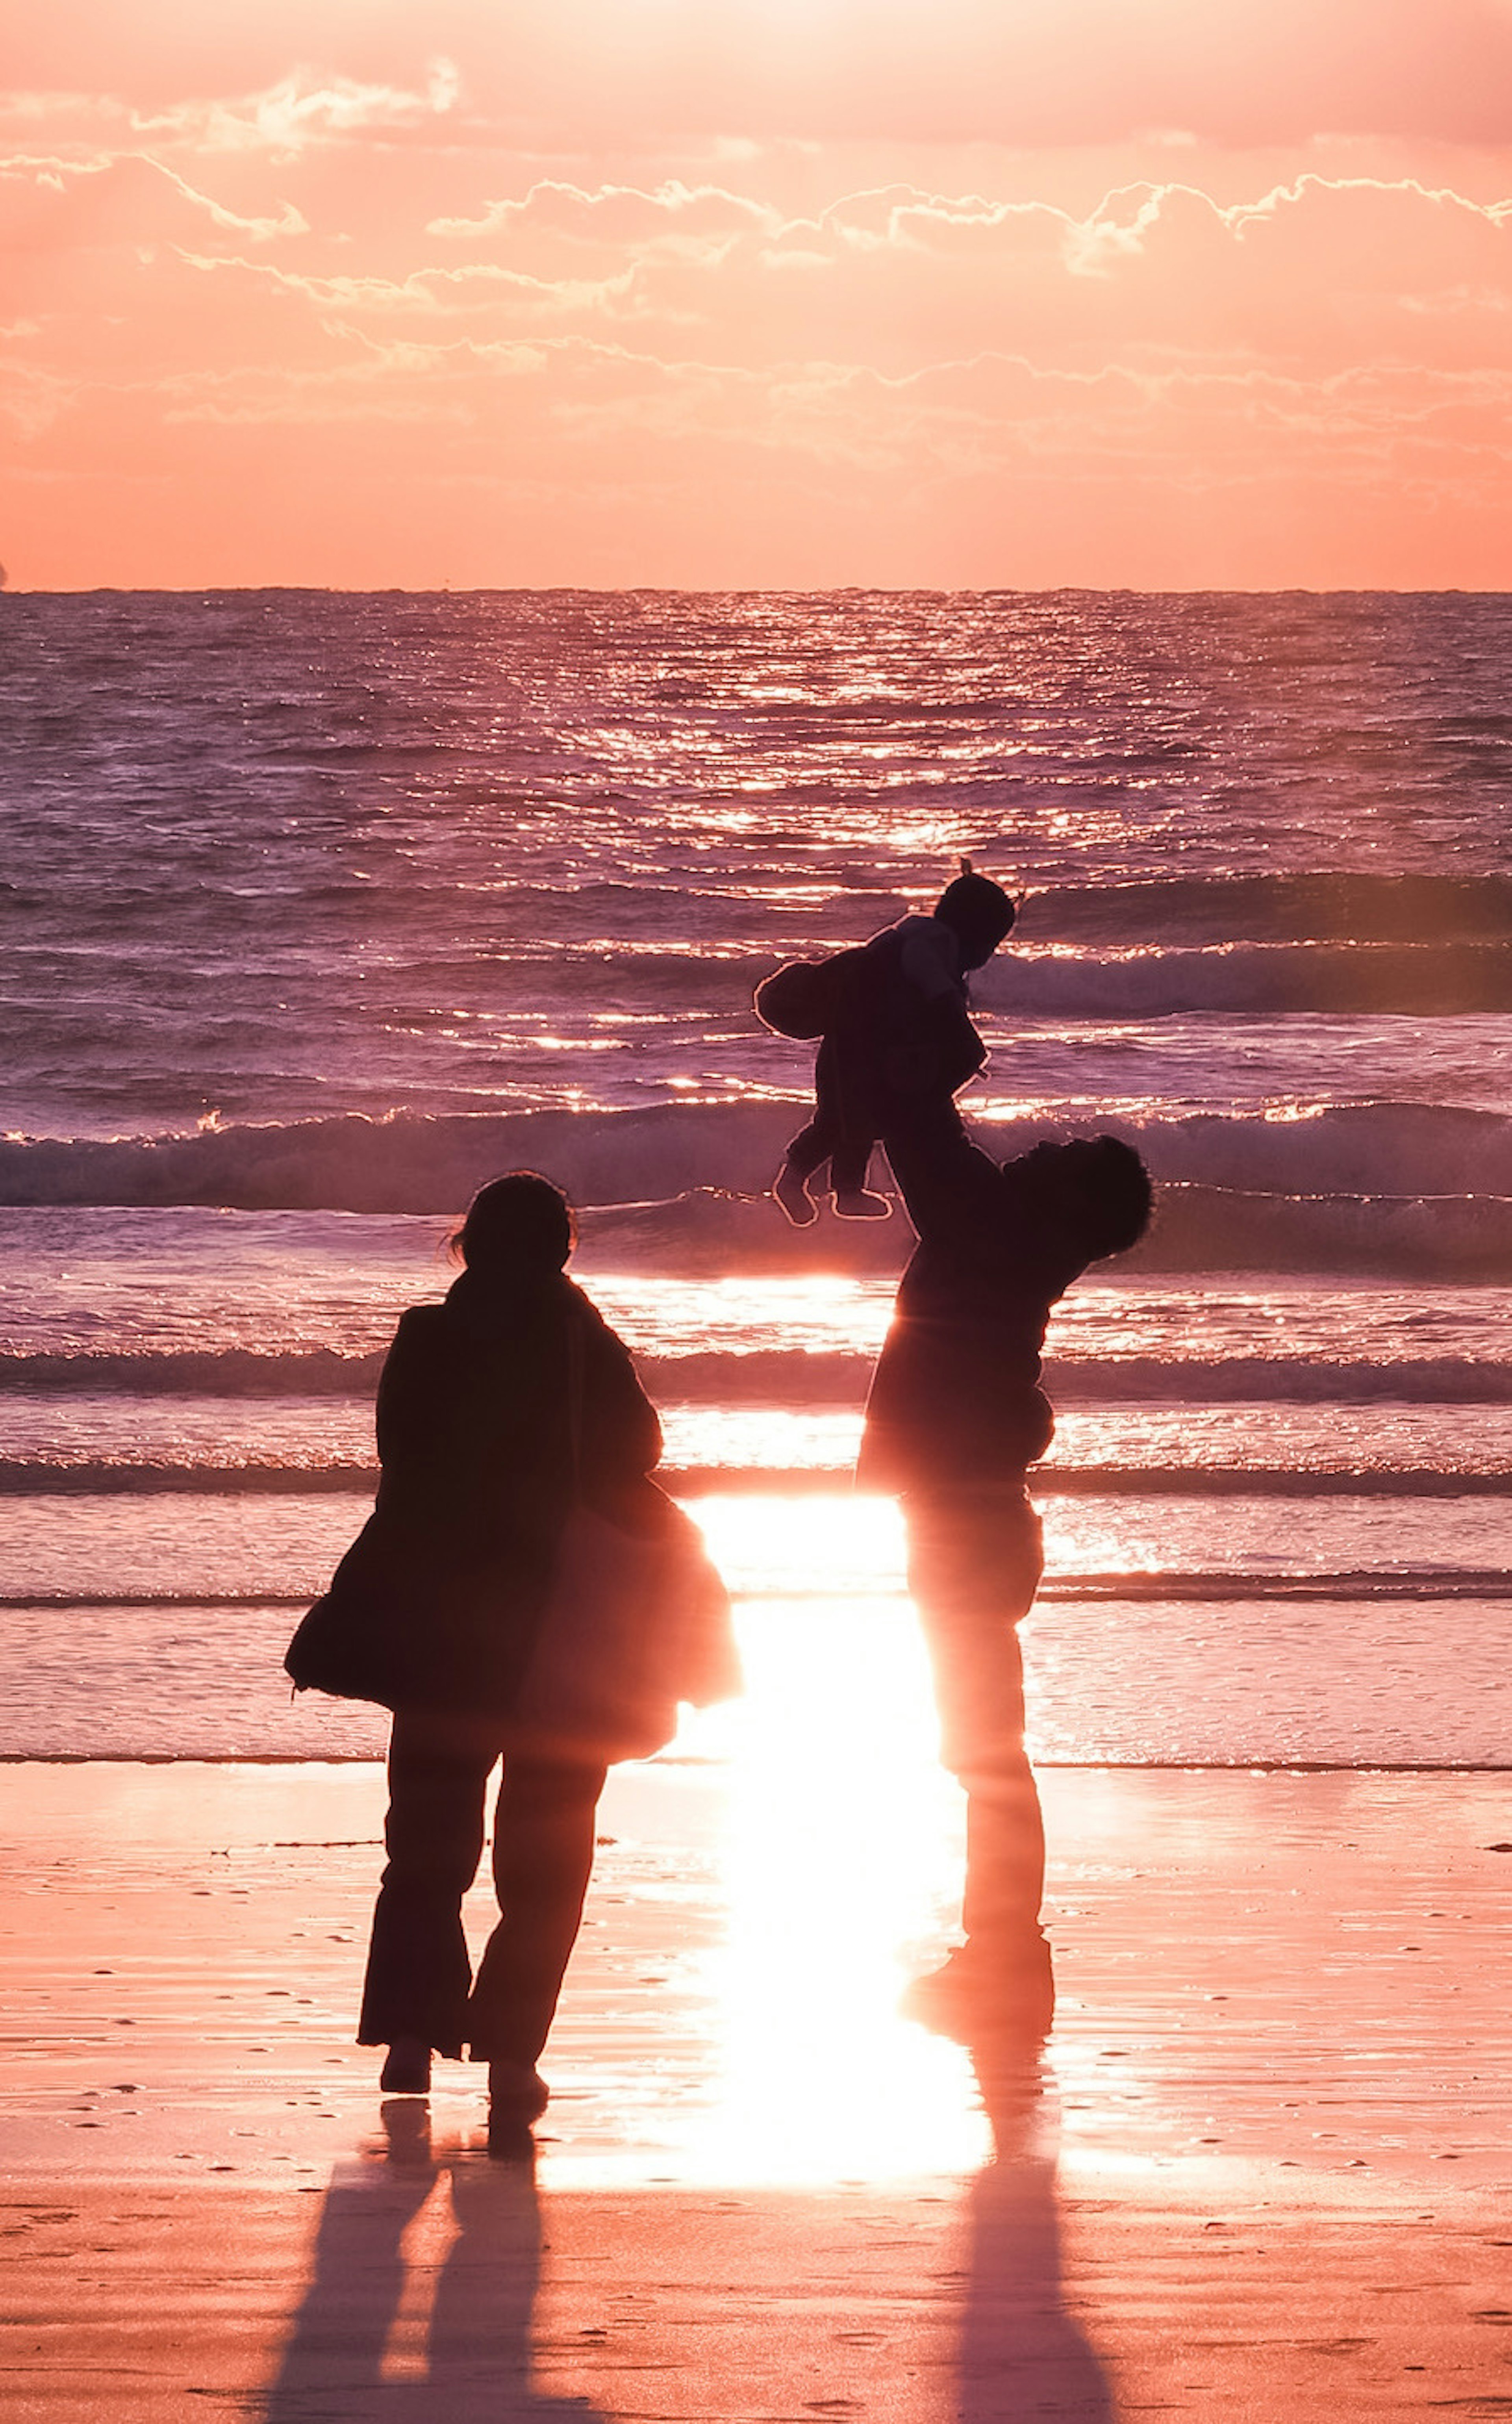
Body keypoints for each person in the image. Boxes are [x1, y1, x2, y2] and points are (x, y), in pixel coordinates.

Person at [321, 1172, 664, 2128]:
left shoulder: (426, 1337)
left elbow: (401, 1457)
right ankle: (512, 2057)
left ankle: (407, 2039)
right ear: (561, 1252)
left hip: (441, 1630)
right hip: (564, 1627)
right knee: (547, 1857)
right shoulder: (578, 1341)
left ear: (467, 1247)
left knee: (425, 1845)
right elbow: (639, 1445)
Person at [856, 1124, 1153, 2042]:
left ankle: (1006, 1956)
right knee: (983, 1749)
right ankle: (1002, 1951)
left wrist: (901, 1037)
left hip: (966, 1523)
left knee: (984, 1752)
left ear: (1067, 1201)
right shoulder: (1011, 1237)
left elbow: (927, 1144)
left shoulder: (998, 1234)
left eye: (1055, 1158)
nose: (1034, 1151)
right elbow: (929, 1145)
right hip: (971, 1517)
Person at [762, 861, 1017, 1224]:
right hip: (857, 1041)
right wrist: (950, 1012)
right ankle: (819, 1186)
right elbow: (929, 984)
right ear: (975, 936)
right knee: (845, 1116)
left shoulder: (915, 936)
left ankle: (839, 1189)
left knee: (849, 1115)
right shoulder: (931, 945)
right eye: (991, 945)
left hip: (863, 1039)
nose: (987, 957)